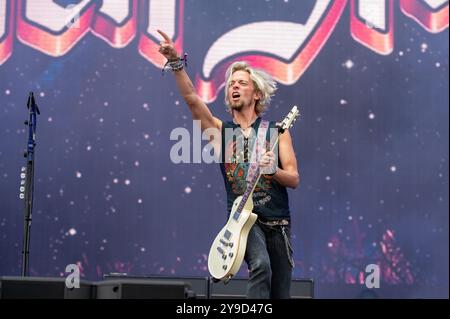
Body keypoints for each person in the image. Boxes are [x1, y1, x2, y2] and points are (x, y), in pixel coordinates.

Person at [157, 29, 300, 299]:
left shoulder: (277, 132)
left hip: (278, 223)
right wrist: (176, 63)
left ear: (257, 93)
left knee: (280, 294)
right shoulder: (220, 133)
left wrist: (274, 170)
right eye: (231, 83)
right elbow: (192, 100)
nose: (234, 86)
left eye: (242, 83)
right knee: (260, 265)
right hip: (243, 222)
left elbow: (294, 178)